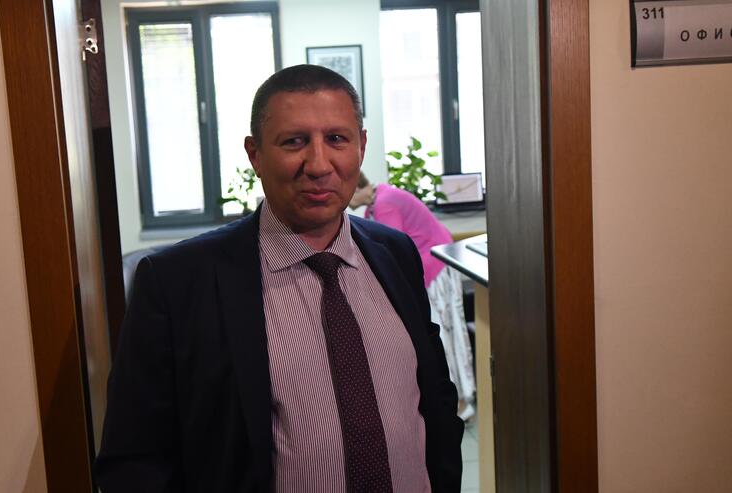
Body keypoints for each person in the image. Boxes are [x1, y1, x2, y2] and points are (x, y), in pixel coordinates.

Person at [94, 65, 463, 493]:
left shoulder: (395, 253)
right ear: (255, 154)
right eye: (294, 142)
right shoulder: (178, 284)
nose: (319, 165)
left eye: (337, 139)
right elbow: (135, 460)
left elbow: (434, 399)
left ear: (361, 146)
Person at [349, 175, 476, 420]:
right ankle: (459, 401)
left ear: (356, 188)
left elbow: (389, 252)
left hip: (434, 264)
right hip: (436, 259)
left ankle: (460, 403)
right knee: (445, 332)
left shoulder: (384, 204)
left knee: (442, 334)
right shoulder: (377, 201)